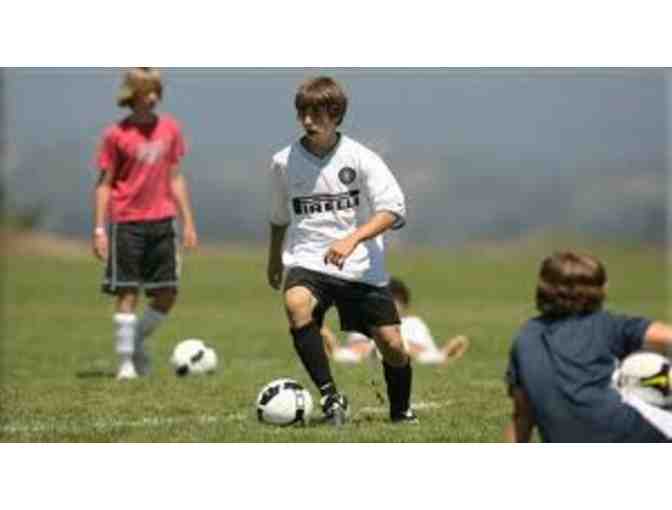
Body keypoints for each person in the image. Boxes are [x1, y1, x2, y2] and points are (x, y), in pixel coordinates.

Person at [266, 76, 415, 425]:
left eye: (316, 113)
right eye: (302, 113)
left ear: (336, 114)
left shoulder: (362, 158)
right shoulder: (283, 162)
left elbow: (393, 209)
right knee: (296, 303)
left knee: (392, 345)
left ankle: (401, 410)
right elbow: (277, 217)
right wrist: (275, 258)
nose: (307, 121)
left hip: (361, 266)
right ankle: (331, 397)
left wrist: (353, 239)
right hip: (308, 259)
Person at [93, 68, 198, 380]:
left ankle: (136, 340)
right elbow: (104, 183)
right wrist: (99, 229)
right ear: (131, 94)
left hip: (163, 222)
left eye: (156, 90)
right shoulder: (115, 135)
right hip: (126, 223)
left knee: (167, 293)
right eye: (146, 91)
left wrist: (188, 221)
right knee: (127, 294)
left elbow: (175, 177)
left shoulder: (170, 129)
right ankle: (126, 364)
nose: (152, 97)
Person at [505, 251, 672, 442]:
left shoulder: (525, 336)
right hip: (629, 435)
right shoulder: (608, 325)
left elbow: (522, 415)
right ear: (599, 290)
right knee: (643, 376)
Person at [322, 277, 470, 365]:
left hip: (406, 349)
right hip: (371, 348)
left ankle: (443, 355)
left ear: (404, 305)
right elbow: (357, 344)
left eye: (395, 301)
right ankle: (335, 350)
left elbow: (422, 347)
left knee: (411, 348)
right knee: (363, 347)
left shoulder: (413, 323)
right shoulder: (365, 320)